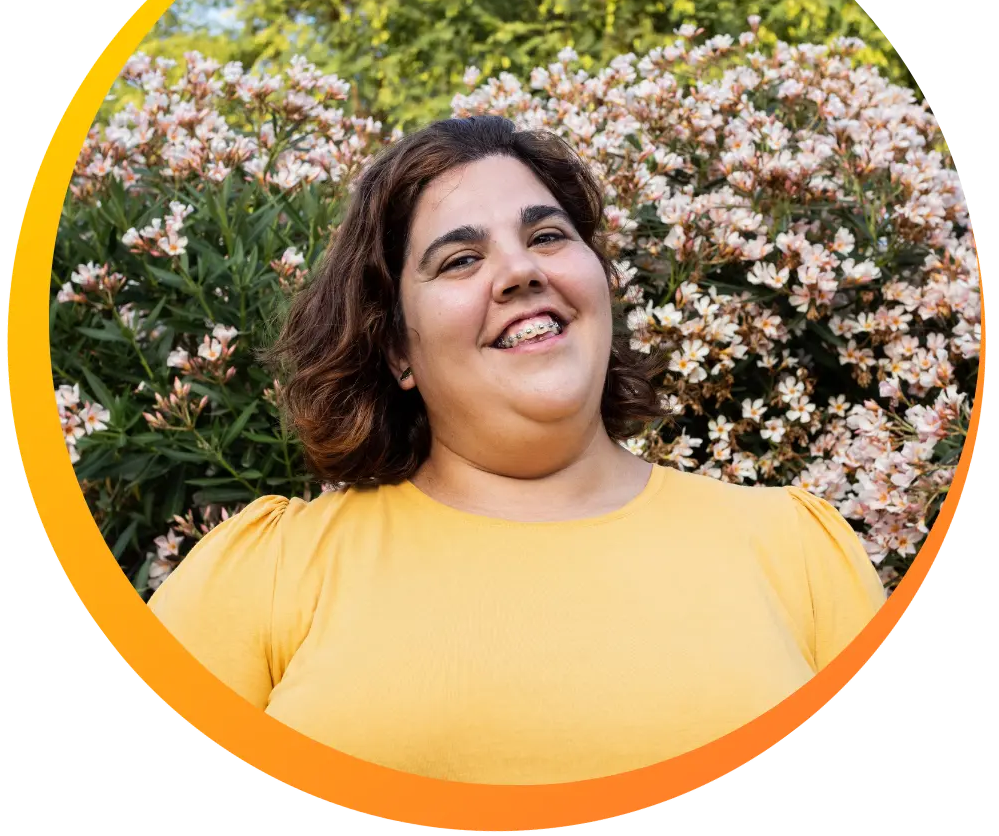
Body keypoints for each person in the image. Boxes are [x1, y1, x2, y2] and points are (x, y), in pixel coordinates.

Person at [148, 115, 886, 785]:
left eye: (548, 237)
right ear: (398, 349)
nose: (522, 271)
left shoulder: (798, 550)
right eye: (461, 260)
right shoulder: (268, 574)